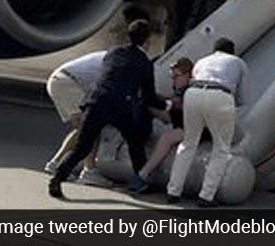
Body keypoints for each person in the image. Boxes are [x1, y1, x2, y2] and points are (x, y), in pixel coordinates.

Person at [49, 20, 163, 199]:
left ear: (129, 36)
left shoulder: (113, 52)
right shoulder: (144, 63)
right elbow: (149, 97)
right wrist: (167, 105)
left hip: (96, 101)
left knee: (82, 146)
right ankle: (140, 181)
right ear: (147, 40)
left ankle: (58, 178)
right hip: (120, 107)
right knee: (134, 141)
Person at [165, 37, 248, 207]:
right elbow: (242, 97)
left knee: (188, 143)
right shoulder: (238, 62)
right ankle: (206, 196)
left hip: (193, 93)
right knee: (221, 149)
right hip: (220, 95)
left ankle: (173, 191)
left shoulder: (202, 61)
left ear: (215, 50)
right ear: (232, 52)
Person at [43, 49, 110, 187]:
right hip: (68, 83)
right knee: (91, 127)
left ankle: (56, 163)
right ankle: (89, 171)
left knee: (81, 129)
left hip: (60, 80)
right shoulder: (116, 61)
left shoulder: (107, 55)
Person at [128, 56, 193, 195]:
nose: (174, 81)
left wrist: (158, 100)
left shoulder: (190, 90)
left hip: (195, 127)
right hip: (182, 123)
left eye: (176, 77)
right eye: (172, 77)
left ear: (187, 75)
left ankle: (143, 175)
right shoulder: (181, 89)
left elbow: (177, 103)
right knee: (147, 106)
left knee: (166, 137)